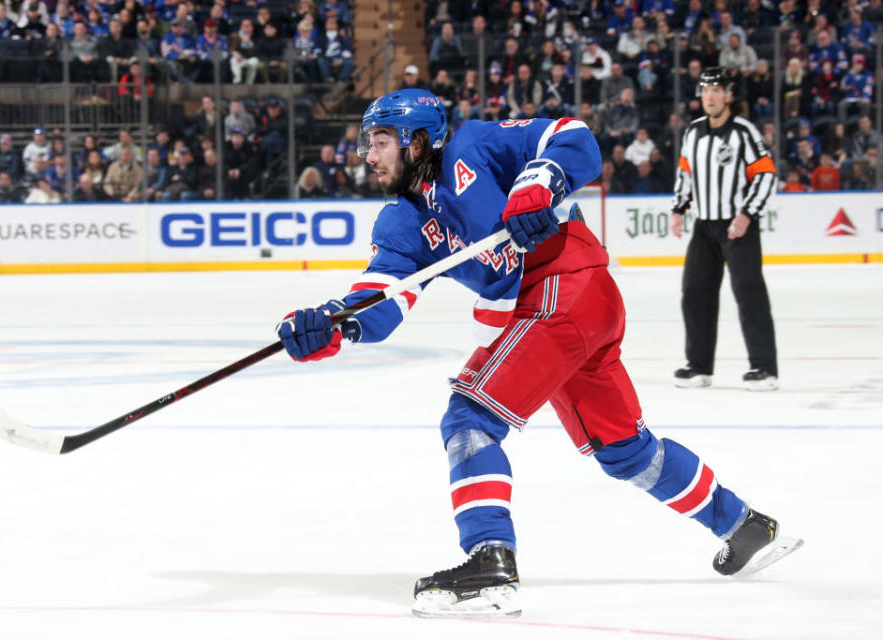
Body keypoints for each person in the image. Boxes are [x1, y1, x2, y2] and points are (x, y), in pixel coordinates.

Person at [275, 88, 802, 617]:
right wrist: (333, 324)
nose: (368, 155)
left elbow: (573, 137)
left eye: (381, 141)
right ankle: (743, 525)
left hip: (562, 290)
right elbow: (383, 298)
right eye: (368, 142)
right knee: (626, 452)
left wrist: (540, 178)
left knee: (470, 417)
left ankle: (489, 562)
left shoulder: (474, 145)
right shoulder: (401, 222)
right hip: (570, 311)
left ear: (418, 141)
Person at [670, 67, 778, 391]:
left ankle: (764, 368)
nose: (710, 97)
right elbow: (685, 174)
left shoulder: (743, 132)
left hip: (737, 227)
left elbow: (766, 174)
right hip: (704, 227)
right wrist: (678, 209)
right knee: (695, 294)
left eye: (717, 90)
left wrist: (747, 214)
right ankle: (699, 367)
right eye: (705, 91)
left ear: (728, 95)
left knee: (749, 294)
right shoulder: (692, 132)